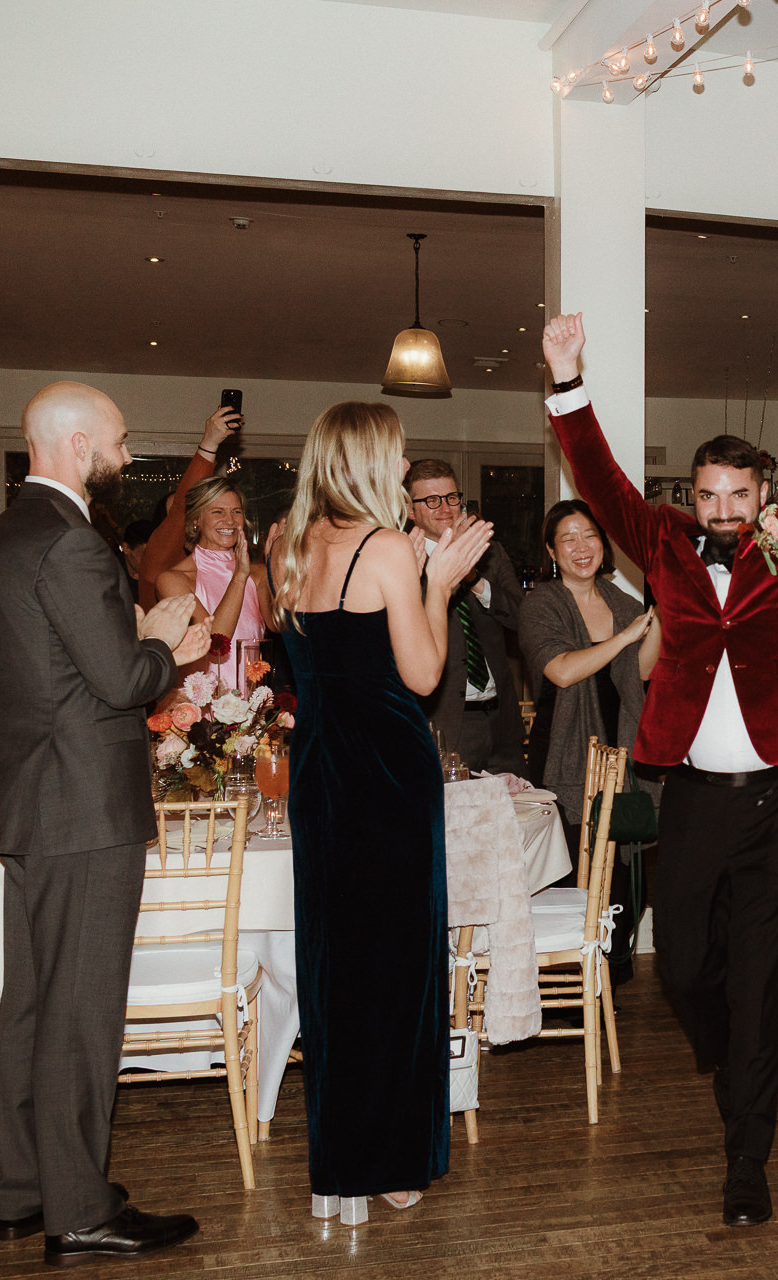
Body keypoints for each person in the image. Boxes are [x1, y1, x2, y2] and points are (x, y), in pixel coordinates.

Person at [541, 308, 778, 1228]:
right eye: (708, 496)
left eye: (738, 495)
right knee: (686, 966)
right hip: (689, 796)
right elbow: (601, 480)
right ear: (690, 497)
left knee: (764, 982)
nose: (723, 511)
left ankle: (747, 1160)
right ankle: (732, 1056)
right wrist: (567, 379)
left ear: (763, 493)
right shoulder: (660, 541)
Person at [0, 381, 208, 1265]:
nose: (125, 452)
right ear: (76, 445)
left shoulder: (5, 536)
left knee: (32, 1005)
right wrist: (167, 645)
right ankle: (78, 1212)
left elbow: (56, 670)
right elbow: (119, 680)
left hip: (33, 801)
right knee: (80, 1012)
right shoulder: (71, 540)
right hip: (84, 807)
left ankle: (24, 1191)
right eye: (116, 438)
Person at [267, 402, 490, 1224]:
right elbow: (424, 676)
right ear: (364, 461)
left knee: (335, 963)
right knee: (397, 965)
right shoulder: (389, 548)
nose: (401, 471)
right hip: (388, 772)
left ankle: (339, 1156)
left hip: (320, 769)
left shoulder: (283, 543)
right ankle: (390, 1162)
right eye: (395, 458)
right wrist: (441, 585)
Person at [519, 498, 660, 985]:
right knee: (573, 878)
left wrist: (660, 615)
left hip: (620, 758)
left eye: (590, 536)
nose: (581, 547)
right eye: (568, 539)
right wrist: (624, 638)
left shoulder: (622, 602)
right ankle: (569, 989)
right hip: (565, 759)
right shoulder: (542, 603)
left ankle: (606, 984)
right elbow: (561, 671)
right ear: (551, 551)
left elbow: (641, 672)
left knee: (624, 882)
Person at [406, 459, 525, 777]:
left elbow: (522, 619)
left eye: (451, 497)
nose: (445, 507)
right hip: (445, 724)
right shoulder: (404, 559)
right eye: (432, 500)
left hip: (502, 722)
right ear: (410, 511)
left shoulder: (490, 552)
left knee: (518, 808)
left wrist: (475, 579)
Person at [154, 475, 273, 689]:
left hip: (253, 701)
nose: (230, 521)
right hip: (203, 705)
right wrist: (239, 577)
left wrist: (279, 562)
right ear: (196, 520)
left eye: (236, 511)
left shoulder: (258, 574)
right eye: (218, 512)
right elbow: (217, 645)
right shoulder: (173, 580)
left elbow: (282, 626)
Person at [138, 404, 242, 610]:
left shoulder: (234, 566)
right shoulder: (159, 563)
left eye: (236, 511)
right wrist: (209, 443)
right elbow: (181, 509)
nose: (190, 513)